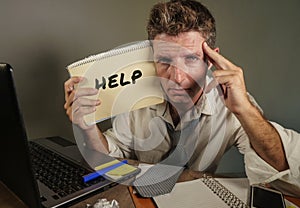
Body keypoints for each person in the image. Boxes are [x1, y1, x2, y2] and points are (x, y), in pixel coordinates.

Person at [64, 0, 300, 196]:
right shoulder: (138, 96)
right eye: (165, 61)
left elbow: (286, 172)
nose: (176, 77)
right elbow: (107, 159)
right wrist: (87, 127)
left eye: (190, 59)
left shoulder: (233, 102)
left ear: (211, 60)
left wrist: (245, 111)